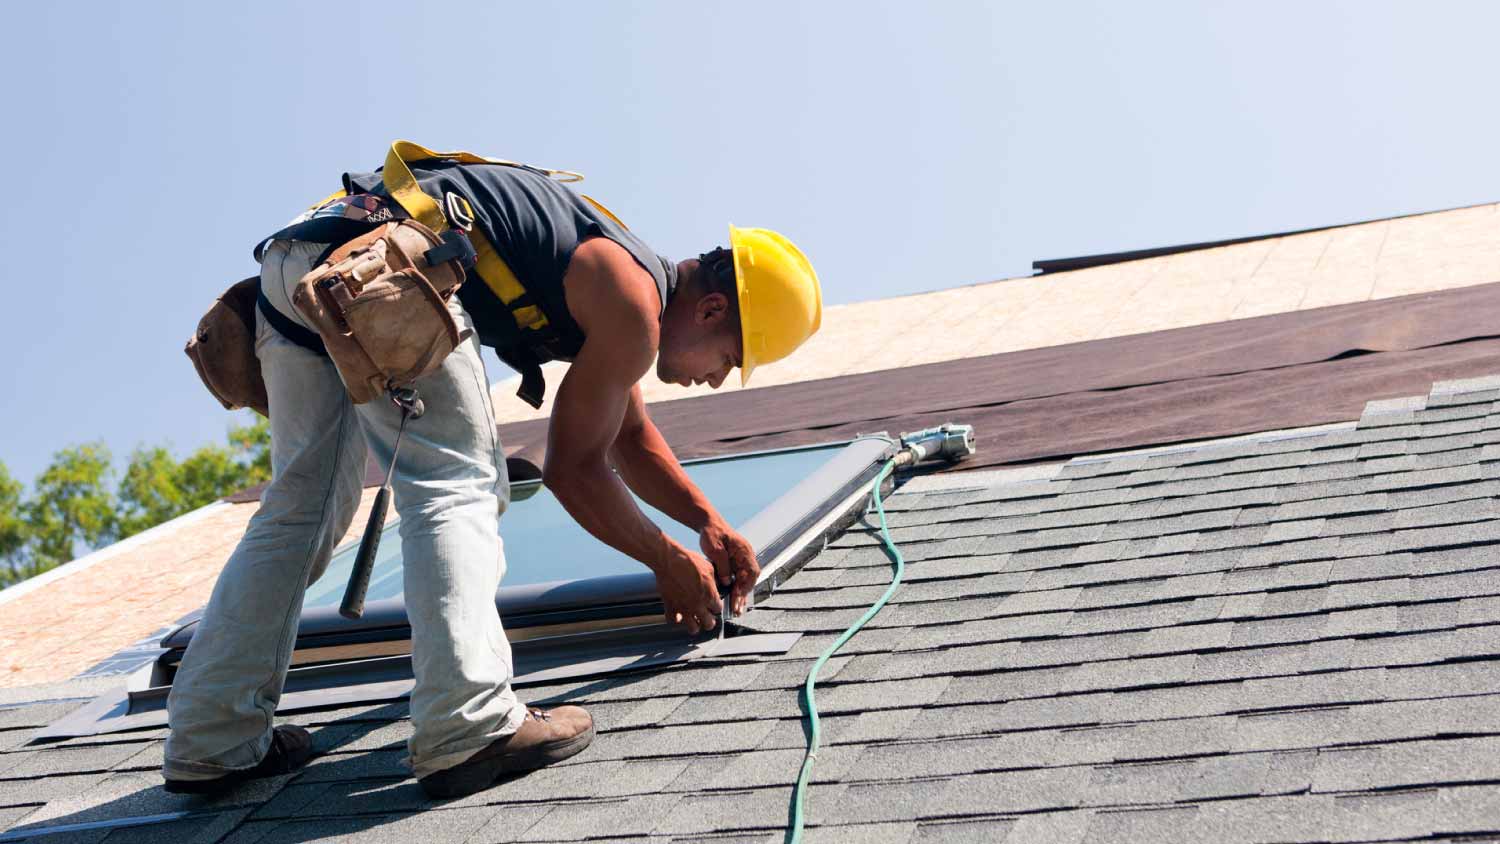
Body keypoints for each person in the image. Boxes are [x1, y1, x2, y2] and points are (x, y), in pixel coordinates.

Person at [162, 145, 822, 800]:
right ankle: (468, 724)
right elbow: (575, 469)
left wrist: (708, 523)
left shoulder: (623, 279)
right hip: (382, 267)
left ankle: (213, 739)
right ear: (711, 311)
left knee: (301, 512)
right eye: (729, 358)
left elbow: (629, 436)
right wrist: (666, 559)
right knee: (456, 483)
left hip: (301, 263)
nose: (717, 379)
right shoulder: (632, 305)